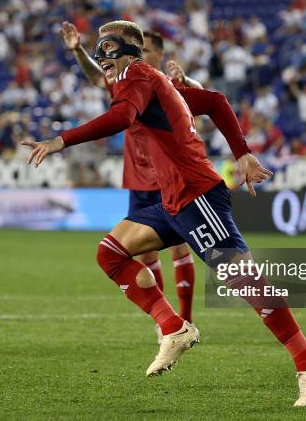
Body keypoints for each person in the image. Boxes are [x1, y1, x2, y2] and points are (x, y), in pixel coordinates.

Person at [23, 20, 306, 407]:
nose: (102, 57)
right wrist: (242, 153)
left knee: (245, 281)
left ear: (129, 50)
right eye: (98, 51)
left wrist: (61, 140)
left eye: (107, 49)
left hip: (196, 195)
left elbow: (120, 119)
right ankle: (173, 326)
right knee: (110, 252)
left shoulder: (137, 76)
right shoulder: (144, 81)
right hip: (171, 200)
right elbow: (215, 101)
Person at [60, 22, 236, 343]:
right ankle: (166, 323)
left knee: (196, 254)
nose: (109, 53)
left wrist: (62, 140)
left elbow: (206, 101)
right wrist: (77, 50)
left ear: (149, 51)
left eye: (150, 50)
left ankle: (185, 319)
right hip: (137, 178)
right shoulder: (123, 82)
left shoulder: (159, 83)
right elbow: (98, 78)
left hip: (168, 178)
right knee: (140, 254)